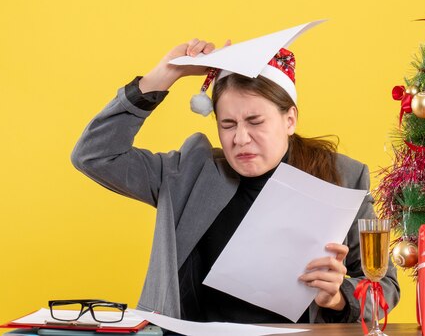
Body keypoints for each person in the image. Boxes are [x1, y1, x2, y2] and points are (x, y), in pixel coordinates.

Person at [71, 34, 400, 324]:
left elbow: (385, 285)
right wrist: (165, 74)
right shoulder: (187, 173)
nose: (240, 139)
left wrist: (338, 297)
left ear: (289, 119)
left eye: (255, 121)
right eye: (227, 125)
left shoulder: (341, 178)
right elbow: (94, 155)